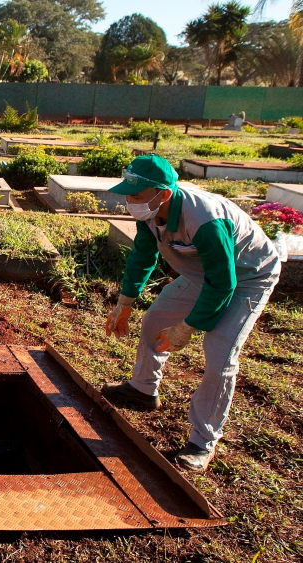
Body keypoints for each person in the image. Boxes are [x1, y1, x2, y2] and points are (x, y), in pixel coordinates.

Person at [102, 155, 281, 472]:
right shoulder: (151, 211)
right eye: (128, 195)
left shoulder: (206, 221)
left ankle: (203, 442)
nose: (131, 202)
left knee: (220, 351)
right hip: (205, 275)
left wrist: (187, 327)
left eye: (138, 196)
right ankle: (143, 390)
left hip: (248, 277)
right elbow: (144, 253)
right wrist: (125, 302)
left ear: (164, 193)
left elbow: (224, 284)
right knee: (155, 320)